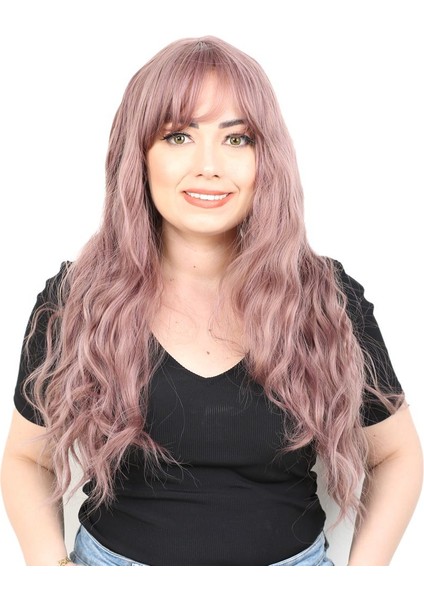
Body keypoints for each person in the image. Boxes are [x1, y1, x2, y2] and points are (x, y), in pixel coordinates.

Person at [1, 36, 422, 567]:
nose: (209, 166)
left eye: (237, 139)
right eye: (178, 136)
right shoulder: (77, 299)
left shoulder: (326, 298)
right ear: (139, 155)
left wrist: (362, 585)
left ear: (266, 158)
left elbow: (396, 455)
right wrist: (55, 577)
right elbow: (26, 458)